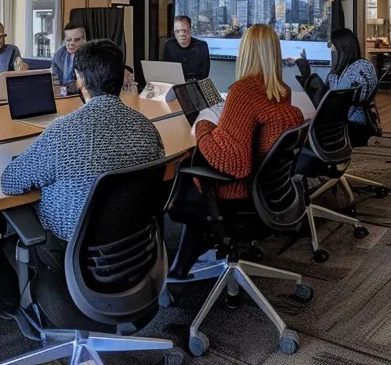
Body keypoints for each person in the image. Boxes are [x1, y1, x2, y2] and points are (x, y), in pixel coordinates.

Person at [0, 39, 165, 309]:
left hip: (72, 255)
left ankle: (12, 307)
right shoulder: (147, 128)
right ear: (122, 76)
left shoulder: (63, 131)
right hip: (137, 252)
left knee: (4, 240)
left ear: (80, 81)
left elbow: (10, 181)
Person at [169, 23, 304, 278]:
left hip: (236, 192)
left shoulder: (243, 91)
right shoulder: (280, 91)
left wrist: (203, 124)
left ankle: (178, 273)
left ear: (246, 52)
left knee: (183, 173)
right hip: (267, 193)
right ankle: (190, 261)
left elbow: (230, 162)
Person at [323, 28, 379, 143]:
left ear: (342, 47)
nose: (328, 50)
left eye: (331, 46)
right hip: (339, 123)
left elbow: (343, 98)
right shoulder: (337, 71)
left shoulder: (361, 68)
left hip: (353, 125)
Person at [161, 15, 211, 82]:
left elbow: (204, 76)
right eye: (177, 31)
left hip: (194, 85)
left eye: (184, 31)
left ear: (190, 30)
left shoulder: (201, 46)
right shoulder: (169, 45)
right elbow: (165, 70)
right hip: (173, 84)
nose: (181, 34)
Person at [48, 22, 85, 94]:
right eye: (68, 40)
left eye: (76, 40)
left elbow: (82, 84)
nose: (71, 43)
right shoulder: (59, 55)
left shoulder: (90, 56)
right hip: (62, 95)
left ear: (84, 39)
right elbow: (53, 79)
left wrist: (62, 91)